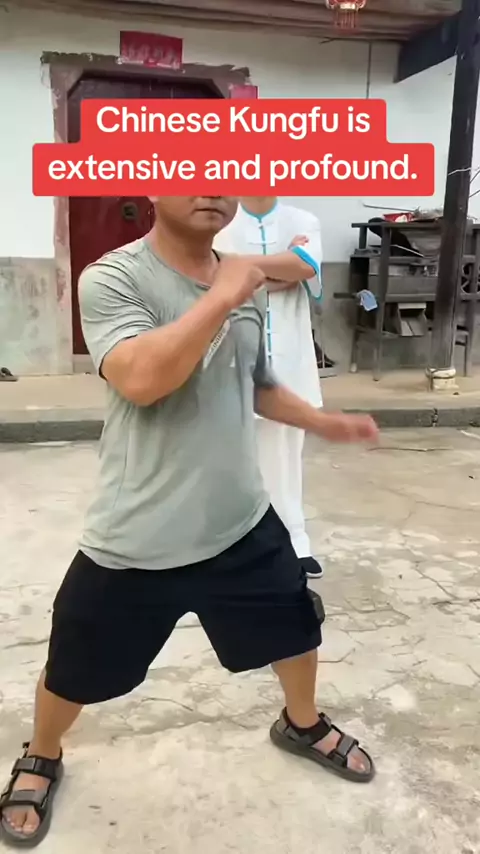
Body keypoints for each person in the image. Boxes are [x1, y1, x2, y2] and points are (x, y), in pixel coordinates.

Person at [0, 196, 378, 848]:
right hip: (138, 532)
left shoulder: (240, 279)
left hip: (239, 515)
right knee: (76, 662)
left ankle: (302, 722)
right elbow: (143, 380)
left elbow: (254, 381)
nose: (210, 187)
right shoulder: (113, 278)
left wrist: (322, 421)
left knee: (295, 626)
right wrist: (223, 295)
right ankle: (42, 752)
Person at [213, 197, 325, 580]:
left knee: (286, 457)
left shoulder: (303, 219)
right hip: (232, 357)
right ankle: (233, 543)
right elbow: (214, 277)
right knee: (230, 457)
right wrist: (281, 267)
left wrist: (241, 268)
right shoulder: (221, 222)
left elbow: (304, 266)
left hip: (291, 362)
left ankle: (295, 541)